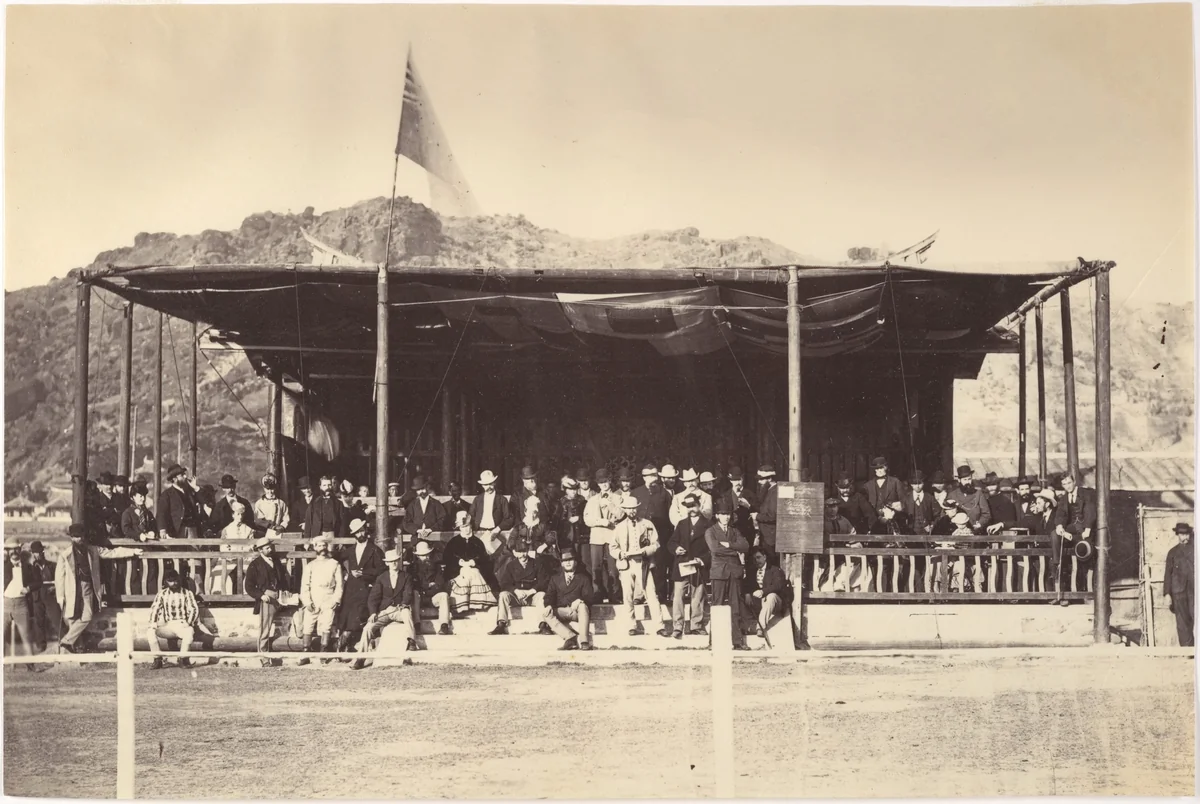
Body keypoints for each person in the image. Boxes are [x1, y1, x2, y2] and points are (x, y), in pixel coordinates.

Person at [55, 524, 143, 653]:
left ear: (84, 537)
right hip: (71, 590)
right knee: (73, 618)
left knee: (87, 616)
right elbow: (59, 577)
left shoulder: (93, 550)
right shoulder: (65, 555)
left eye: (80, 536)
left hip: (88, 589)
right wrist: (60, 596)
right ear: (71, 538)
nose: (78, 539)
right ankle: (74, 648)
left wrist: (132, 551)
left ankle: (66, 642)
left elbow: (112, 552)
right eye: (75, 537)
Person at [610, 494, 661, 636]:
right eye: (629, 509)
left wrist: (645, 551)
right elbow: (613, 547)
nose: (632, 511)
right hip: (626, 564)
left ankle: (659, 625)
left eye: (634, 508)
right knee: (627, 595)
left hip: (643, 563)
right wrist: (621, 554)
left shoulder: (647, 524)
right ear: (625, 509)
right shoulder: (619, 527)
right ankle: (631, 625)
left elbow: (656, 544)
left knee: (651, 593)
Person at [335, 518, 386, 653]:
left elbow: (381, 570)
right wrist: (345, 572)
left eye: (362, 531)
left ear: (366, 531)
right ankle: (343, 646)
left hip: (366, 587)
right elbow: (336, 558)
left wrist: (364, 573)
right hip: (351, 588)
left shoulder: (375, 550)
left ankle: (344, 644)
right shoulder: (351, 550)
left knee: (358, 613)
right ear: (354, 535)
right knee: (345, 614)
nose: (361, 534)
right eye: (357, 532)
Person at [665, 493, 711, 639]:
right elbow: (671, 542)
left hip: (698, 565)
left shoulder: (709, 525)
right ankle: (678, 627)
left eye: (693, 505)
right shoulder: (682, 524)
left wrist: (702, 560)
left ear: (699, 505)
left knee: (697, 595)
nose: (691, 509)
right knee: (678, 595)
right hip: (682, 565)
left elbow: (712, 548)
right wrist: (676, 549)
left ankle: (696, 625)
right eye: (688, 506)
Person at [706, 498, 750, 650]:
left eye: (728, 514)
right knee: (717, 605)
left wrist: (729, 545)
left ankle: (737, 641)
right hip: (719, 572)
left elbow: (745, 546)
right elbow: (715, 549)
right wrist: (734, 551)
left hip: (734, 572)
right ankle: (714, 641)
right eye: (722, 514)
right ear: (717, 515)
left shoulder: (734, 531)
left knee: (735, 606)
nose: (726, 517)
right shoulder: (710, 531)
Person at [490, 536, 554, 636]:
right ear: (515, 552)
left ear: (528, 551)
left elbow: (543, 581)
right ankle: (501, 624)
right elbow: (505, 583)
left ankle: (543, 625)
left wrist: (531, 591)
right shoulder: (511, 565)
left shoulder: (537, 563)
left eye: (524, 551)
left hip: (532, 596)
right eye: (519, 552)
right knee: (503, 595)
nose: (523, 555)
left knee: (542, 595)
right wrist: (515, 590)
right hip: (517, 597)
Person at [244, 535, 291, 666]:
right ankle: (264, 657)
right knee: (265, 629)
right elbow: (248, 586)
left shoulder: (275, 561)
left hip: (279, 596)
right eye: (266, 548)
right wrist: (260, 595)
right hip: (267, 598)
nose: (270, 549)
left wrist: (285, 590)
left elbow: (282, 578)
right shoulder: (255, 564)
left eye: (270, 547)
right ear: (260, 550)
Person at [362, 548, 419, 657]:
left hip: (399, 609)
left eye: (396, 560)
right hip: (385, 611)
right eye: (391, 561)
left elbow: (408, 593)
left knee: (407, 614)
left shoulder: (406, 576)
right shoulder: (381, 578)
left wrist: (404, 604)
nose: (394, 563)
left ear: (399, 561)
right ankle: (361, 658)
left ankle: (411, 641)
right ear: (387, 563)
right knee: (368, 628)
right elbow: (373, 597)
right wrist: (373, 612)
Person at [299, 534, 343, 662]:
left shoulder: (334, 564)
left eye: (324, 545)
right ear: (315, 548)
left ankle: (324, 652)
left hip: (328, 596)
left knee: (326, 625)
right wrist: (307, 601)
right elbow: (304, 585)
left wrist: (336, 599)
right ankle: (305, 653)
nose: (322, 547)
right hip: (314, 596)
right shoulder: (310, 566)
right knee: (308, 625)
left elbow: (340, 584)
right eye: (319, 545)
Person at [445, 510, 499, 614]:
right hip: (457, 572)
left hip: (475, 571)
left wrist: (474, 562)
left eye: (467, 526)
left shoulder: (478, 542)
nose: (465, 529)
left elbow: (484, 558)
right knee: (466, 572)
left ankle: (477, 603)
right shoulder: (453, 542)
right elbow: (447, 558)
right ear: (459, 528)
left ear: (471, 526)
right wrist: (459, 562)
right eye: (462, 527)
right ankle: (461, 605)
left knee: (474, 572)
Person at [145, 569, 201, 669]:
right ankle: (157, 659)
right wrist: (153, 623)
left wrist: (189, 622)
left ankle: (183, 659)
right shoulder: (162, 594)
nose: (174, 583)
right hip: (168, 626)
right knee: (150, 632)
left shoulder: (187, 593)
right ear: (166, 582)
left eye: (176, 580)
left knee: (189, 632)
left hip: (182, 624)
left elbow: (193, 609)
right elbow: (155, 609)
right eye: (170, 581)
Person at [543, 548, 596, 651]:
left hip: (577, 612)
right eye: (565, 561)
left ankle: (584, 641)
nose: (568, 563)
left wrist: (580, 600)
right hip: (561, 610)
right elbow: (549, 595)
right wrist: (548, 604)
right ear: (562, 564)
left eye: (570, 560)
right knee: (546, 613)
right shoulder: (555, 578)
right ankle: (570, 637)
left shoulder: (583, 578)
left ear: (575, 562)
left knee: (582, 606)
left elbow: (590, 596)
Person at [583, 468, 620, 603]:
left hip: (612, 537)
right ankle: (598, 594)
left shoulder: (617, 498)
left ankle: (614, 595)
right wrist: (602, 522)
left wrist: (610, 505)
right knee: (596, 568)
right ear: (597, 484)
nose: (604, 485)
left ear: (610, 481)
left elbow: (621, 515)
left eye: (606, 481)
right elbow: (587, 520)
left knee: (613, 568)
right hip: (597, 538)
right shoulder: (592, 500)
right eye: (601, 482)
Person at [3, 540, 36, 665]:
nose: (14, 552)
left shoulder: (28, 567)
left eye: (16, 549)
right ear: (7, 550)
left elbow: (37, 582)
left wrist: (28, 588)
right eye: (10, 549)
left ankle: (31, 665)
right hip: (5, 604)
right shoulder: (3, 566)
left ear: (20, 549)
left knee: (26, 637)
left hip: (22, 604)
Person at [742, 547, 786, 638]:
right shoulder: (752, 571)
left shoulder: (775, 570)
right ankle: (748, 626)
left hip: (775, 603)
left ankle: (760, 627)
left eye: (758, 557)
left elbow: (778, 585)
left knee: (771, 596)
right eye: (754, 559)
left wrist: (763, 591)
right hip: (759, 602)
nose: (756, 561)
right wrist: (747, 594)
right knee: (740, 599)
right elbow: (745, 584)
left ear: (765, 557)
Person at [411, 540, 453, 636]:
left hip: (433, 597)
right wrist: (428, 585)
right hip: (419, 597)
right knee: (414, 593)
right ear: (417, 556)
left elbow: (440, 585)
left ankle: (444, 625)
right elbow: (413, 585)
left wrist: (426, 588)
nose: (425, 557)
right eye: (422, 555)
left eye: (427, 554)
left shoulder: (437, 567)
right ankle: (417, 625)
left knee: (444, 595)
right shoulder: (412, 569)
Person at [1164, 523, 1194, 647]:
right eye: (1182, 534)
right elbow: (1167, 574)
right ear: (1177, 535)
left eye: (1186, 534)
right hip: (1178, 592)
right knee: (1182, 623)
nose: (1185, 537)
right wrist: (1167, 594)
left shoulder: (1195, 550)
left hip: (1194, 591)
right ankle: (1187, 651)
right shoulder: (1172, 552)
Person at [863, 457, 907, 534]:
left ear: (886, 467)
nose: (879, 470)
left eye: (881, 468)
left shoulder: (895, 482)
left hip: (893, 521)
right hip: (875, 522)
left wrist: (895, 510)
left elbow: (904, 502)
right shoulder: (867, 486)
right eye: (876, 468)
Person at [27, 541, 57, 652]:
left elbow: (58, 581)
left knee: (56, 619)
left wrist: (55, 588)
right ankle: (41, 648)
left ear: (42, 552)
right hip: (37, 598)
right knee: (39, 623)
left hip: (50, 597)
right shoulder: (31, 567)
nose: (36, 555)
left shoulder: (52, 565)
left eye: (37, 552)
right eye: (33, 553)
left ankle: (65, 644)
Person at [947, 466, 991, 534]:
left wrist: (980, 524)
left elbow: (986, 514)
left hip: (975, 531)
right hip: (956, 533)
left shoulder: (978, 494)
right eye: (965, 479)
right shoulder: (952, 495)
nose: (968, 482)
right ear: (959, 480)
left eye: (969, 479)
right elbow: (945, 515)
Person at [470, 470, 513, 536]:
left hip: (496, 532)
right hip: (479, 532)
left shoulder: (502, 500)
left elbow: (509, 519)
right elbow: (471, 516)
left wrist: (498, 528)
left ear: (494, 483)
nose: (489, 487)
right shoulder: (477, 499)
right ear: (482, 485)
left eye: (491, 483)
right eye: (486, 484)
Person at [305, 475, 348, 540]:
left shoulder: (338, 503)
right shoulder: (314, 503)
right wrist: (307, 541)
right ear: (320, 487)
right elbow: (308, 523)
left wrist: (341, 540)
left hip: (333, 535)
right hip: (317, 535)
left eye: (329, 485)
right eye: (324, 485)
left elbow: (343, 523)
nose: (327, 487)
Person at [554, 477, 588, 556]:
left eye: (575, 489)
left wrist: (579, 518)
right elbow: (556, 522)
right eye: (570, 489)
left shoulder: (583, 502)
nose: (573, 492)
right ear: (565, 490)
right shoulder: (560, 503)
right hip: (566, 537)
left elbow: (589, 517)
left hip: (582, 537)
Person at [755, 465, 779, 555]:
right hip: (767, 536)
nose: (759, 481)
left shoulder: (775, 492)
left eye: (761, 479)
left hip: (771, 538)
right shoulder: (769, 490)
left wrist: (757, 516)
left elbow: (772, 516)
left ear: (769, 479)